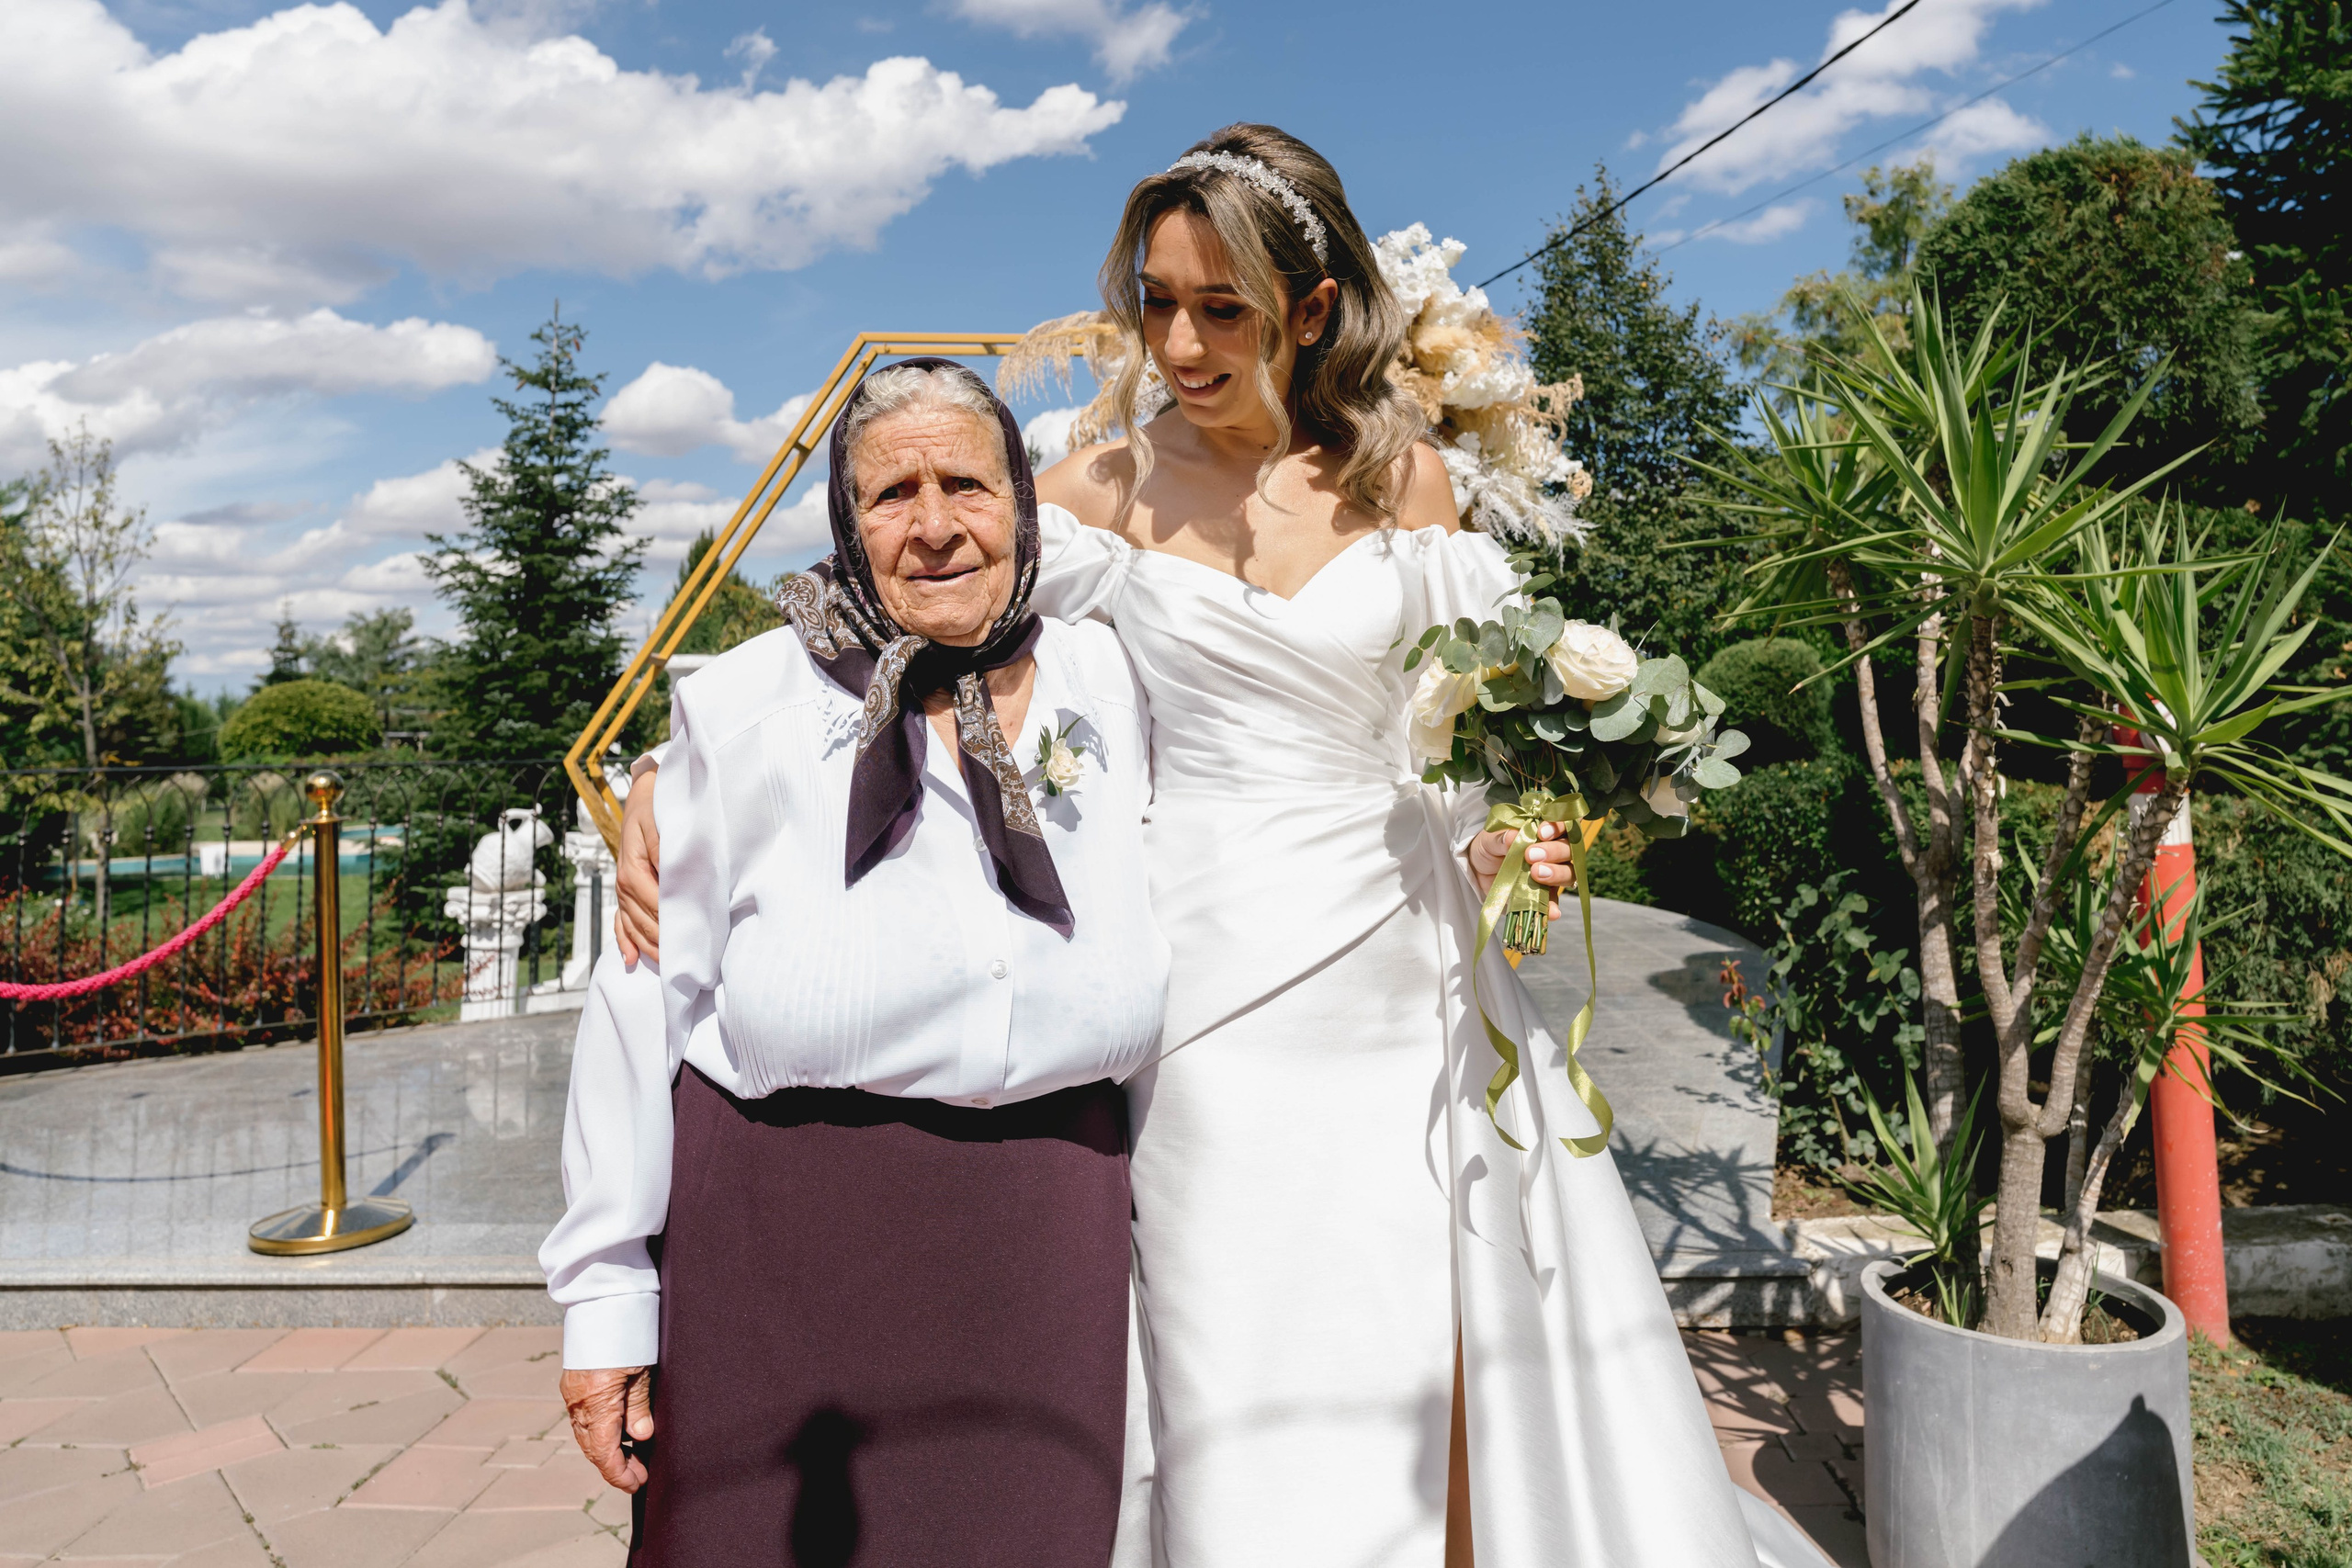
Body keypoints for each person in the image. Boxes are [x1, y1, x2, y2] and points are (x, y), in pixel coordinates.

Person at [617, 128, 1831, 1568]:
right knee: (1242, 1348)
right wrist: (670, 772)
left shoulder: (1410, 484)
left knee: (1450, 1334)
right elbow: (886, 606)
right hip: (1206, 990)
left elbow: (1444, 733)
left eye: (1221, 308)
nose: (1180, 344)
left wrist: (1503, 837)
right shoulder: (1096, 489)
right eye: (1155, 302)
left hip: (1416, 974)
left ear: (1311, 310)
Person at [541, 359, 1170, 1568]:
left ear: (1022, 501)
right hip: (789, 1240)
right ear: (844, 518)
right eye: (892, 495)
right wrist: (606, 1298)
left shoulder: (1112, 678)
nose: (934, 526)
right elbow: (641, 997)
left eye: (967, 485)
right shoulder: (745, 705)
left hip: (1048, 1241)